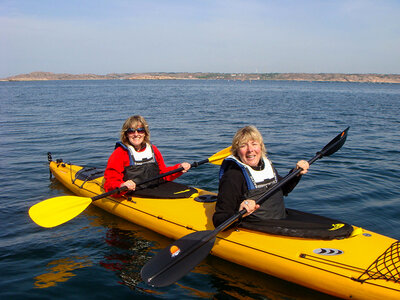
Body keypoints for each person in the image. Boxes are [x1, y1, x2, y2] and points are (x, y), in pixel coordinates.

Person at [212, 125, 309, 229]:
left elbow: (282, 190)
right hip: (256, 228)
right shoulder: (233, 176)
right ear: (237, 151)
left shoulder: (265, 165)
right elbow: (219, 219)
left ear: (261, 147)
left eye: (254, 144)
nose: (250, 150)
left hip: (278, 221)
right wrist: (240, 212)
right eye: (243, 146)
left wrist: (296, 173)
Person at [104, 115, 191, 195]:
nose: (136, 134)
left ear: (145, 133)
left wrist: (178, 169)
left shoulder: (153, 150)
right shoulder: (119, 153)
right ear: (126, 134)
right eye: (131, 131)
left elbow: (162, 174)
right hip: (131, 194)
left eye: (140, 130)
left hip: (153, 190)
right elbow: (110, 181)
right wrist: (122, 185)